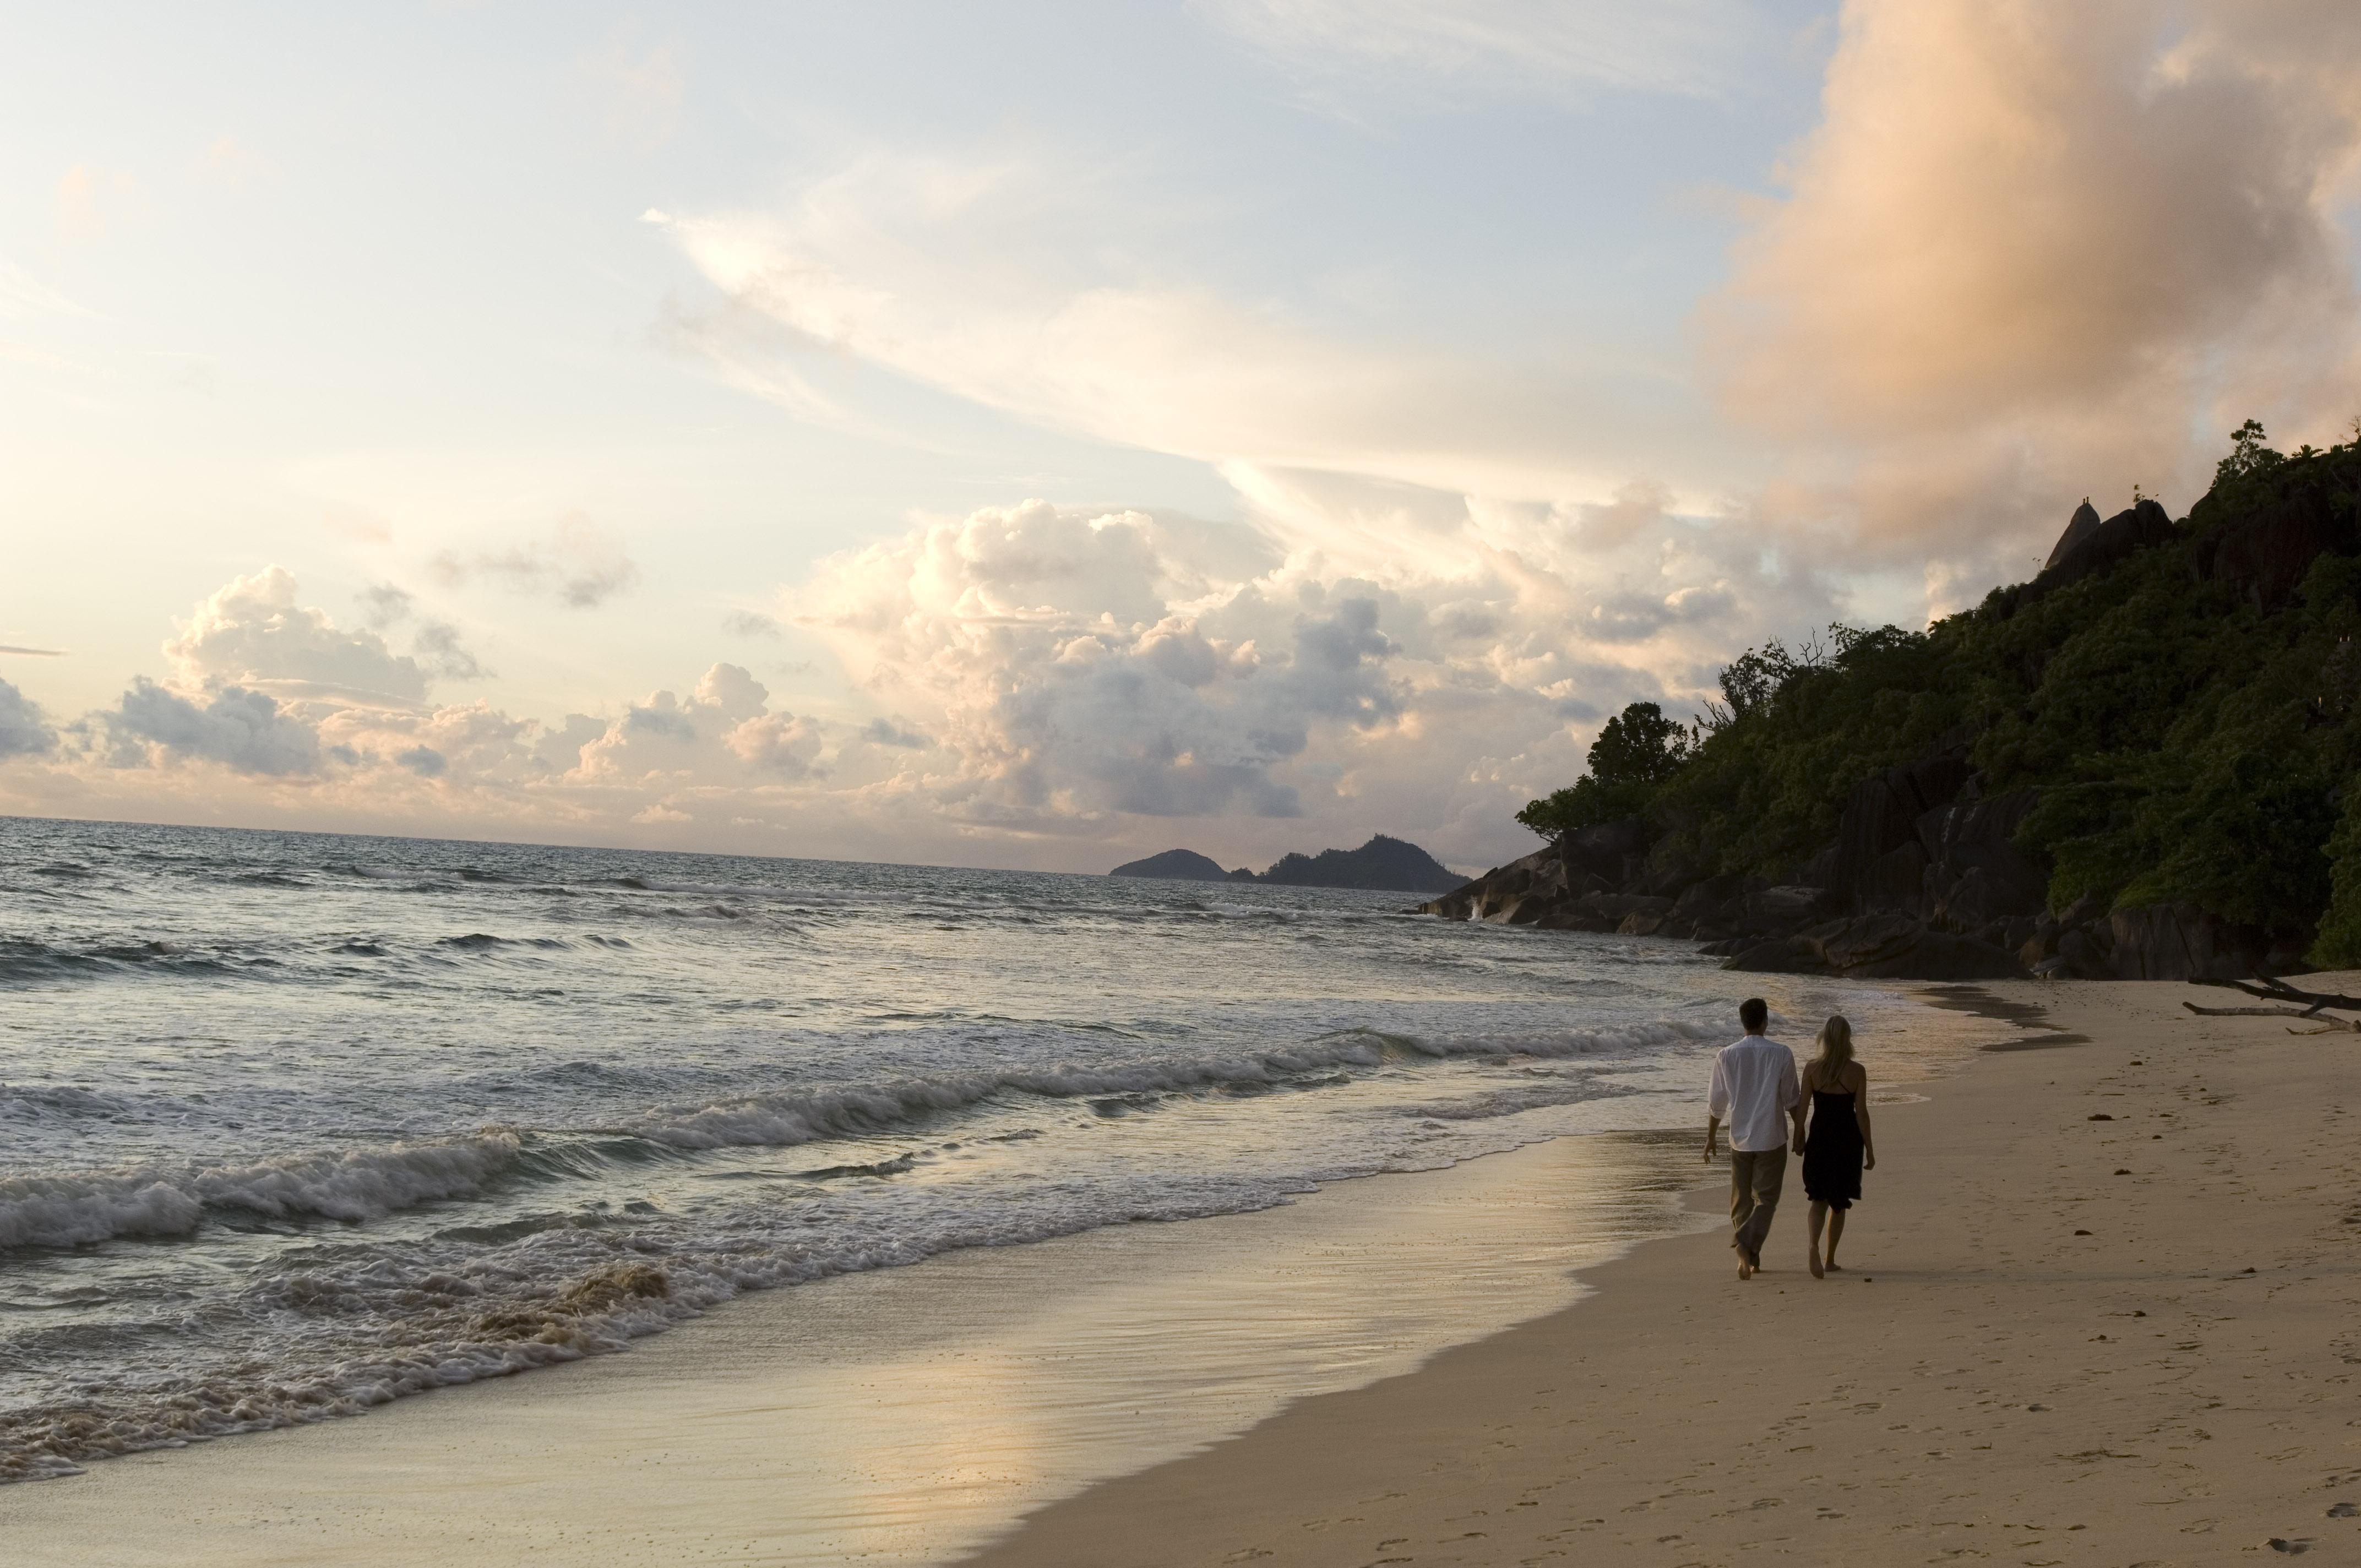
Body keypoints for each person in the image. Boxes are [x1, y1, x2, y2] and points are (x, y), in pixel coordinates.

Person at [1704, 997, 1802, 1280]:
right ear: (1765, 1021)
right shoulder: (1782, 1054)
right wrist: (1801, 1131)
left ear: (1742, 1022)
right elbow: (1791, 1099)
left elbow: (1717, 1102)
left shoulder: (1726, 1055)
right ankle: (1746, 1247)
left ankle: (1750, 1257)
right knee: (1766, 1201)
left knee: (1741, 1202)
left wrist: (1711, 1137)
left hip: (1740, 1139)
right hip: (1771, 1137)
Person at [1795, 1014, 1875, 1280]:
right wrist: (1870, 1149)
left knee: (1818, 1199)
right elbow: (1862, 1113)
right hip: (1847, 1143)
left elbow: (1803, 1108)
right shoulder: (1857, 1071)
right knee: (1838, 1204)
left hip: (1819, 1139)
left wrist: (1799, 1136)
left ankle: (1812, 1245)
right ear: (1848, 1039)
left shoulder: (1812, 1069)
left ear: (1825, 1039)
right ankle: (1829, 1260)